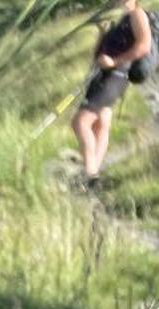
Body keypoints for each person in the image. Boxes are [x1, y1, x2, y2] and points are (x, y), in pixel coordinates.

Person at [76, 1, 152, 184]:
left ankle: (90, 175)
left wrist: (114, 62)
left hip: (116, 76)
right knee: (100, 125)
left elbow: (144, 46)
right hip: (103, 75)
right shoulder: (117, 19)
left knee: (80, 122)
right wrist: (103, 34)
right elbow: (101, 53)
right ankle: (93, 173)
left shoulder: (137, 14)